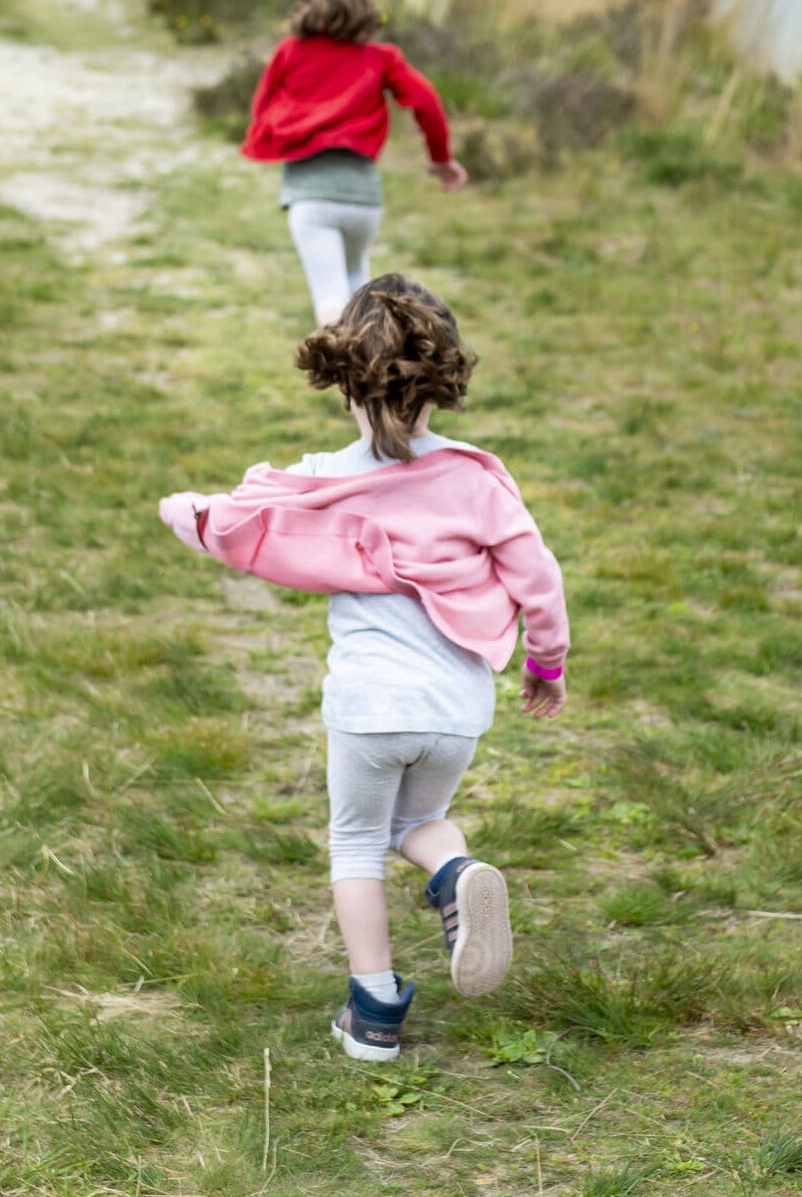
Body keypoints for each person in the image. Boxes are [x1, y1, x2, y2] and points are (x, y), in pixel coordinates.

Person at [158, 273, 569, 1062]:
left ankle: (373, 1014)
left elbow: (231, 519)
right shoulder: (476, 480)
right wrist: (545, 665)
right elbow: (537, 576)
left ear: (344, 381)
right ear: (441, 383)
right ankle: (455, 870)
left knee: (355, 844)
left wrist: (178, 509)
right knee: (416, 823)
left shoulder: (323, 478)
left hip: (368, 706)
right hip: (455, 707)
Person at [241, 0, 468, 323]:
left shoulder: (291, 52)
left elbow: (262, 111)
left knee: (330, 299)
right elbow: (426, 102)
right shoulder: (380, 58)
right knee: (357, 286)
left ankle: (345, 376)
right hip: (364, 200)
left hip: (311, 199)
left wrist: (285, 135)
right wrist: (441, 160)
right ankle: (374, 374)